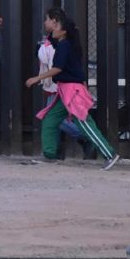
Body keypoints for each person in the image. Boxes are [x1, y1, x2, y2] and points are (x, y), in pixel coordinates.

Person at [26, 7, 120, 169]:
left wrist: (37, 78)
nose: (51, 27)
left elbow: (58, 68)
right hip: (64, 91)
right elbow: (52, 39)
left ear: (62, 30)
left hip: (71, 90)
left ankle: (109, 154)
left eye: (54, 25)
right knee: (50, 119)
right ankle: (49, 155)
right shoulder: (64, 42)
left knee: (84, 123)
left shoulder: (64, 46)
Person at [35, 24, 91, 160]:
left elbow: (56, 66)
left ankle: (86, 137)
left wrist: (37, 78)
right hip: (59, 87)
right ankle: (55, 151)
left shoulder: (60, 45)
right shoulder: (60, 43)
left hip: (61, 88)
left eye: (48, 19)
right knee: (55, 119)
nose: (45, 22)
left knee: (55, 119)